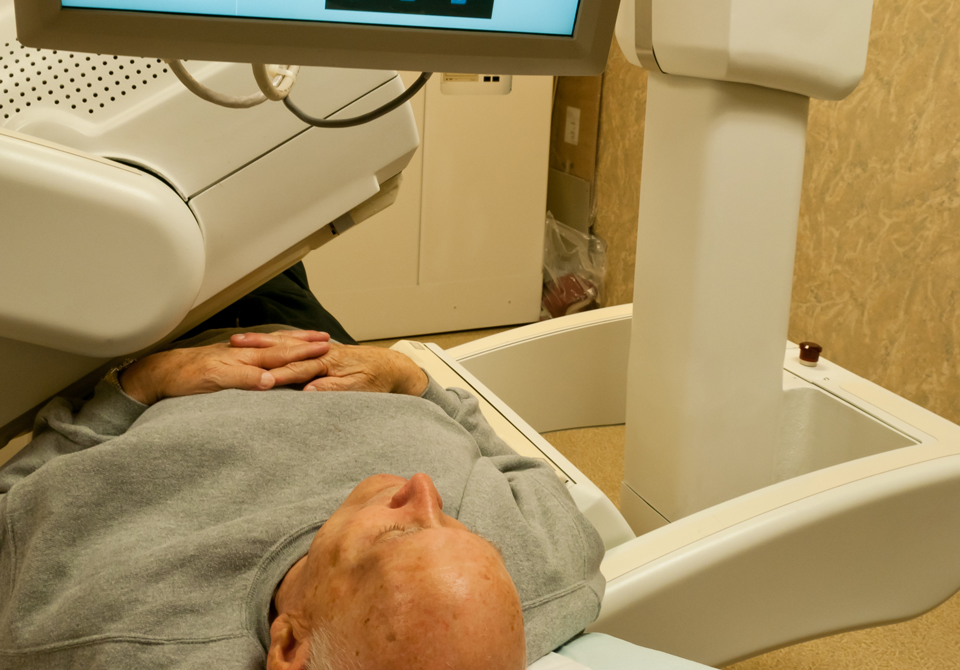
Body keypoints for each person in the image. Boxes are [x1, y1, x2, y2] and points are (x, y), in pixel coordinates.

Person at [0, 265, 605, 669]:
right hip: (330, 349)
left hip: (154, 339)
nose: (423, 489)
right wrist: (413, 382)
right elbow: (515, 464)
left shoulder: (111, 630)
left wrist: (139, 384)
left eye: (399, 531)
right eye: (457, 523)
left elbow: (12, 501)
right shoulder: (536, 581)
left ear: (289, 642)